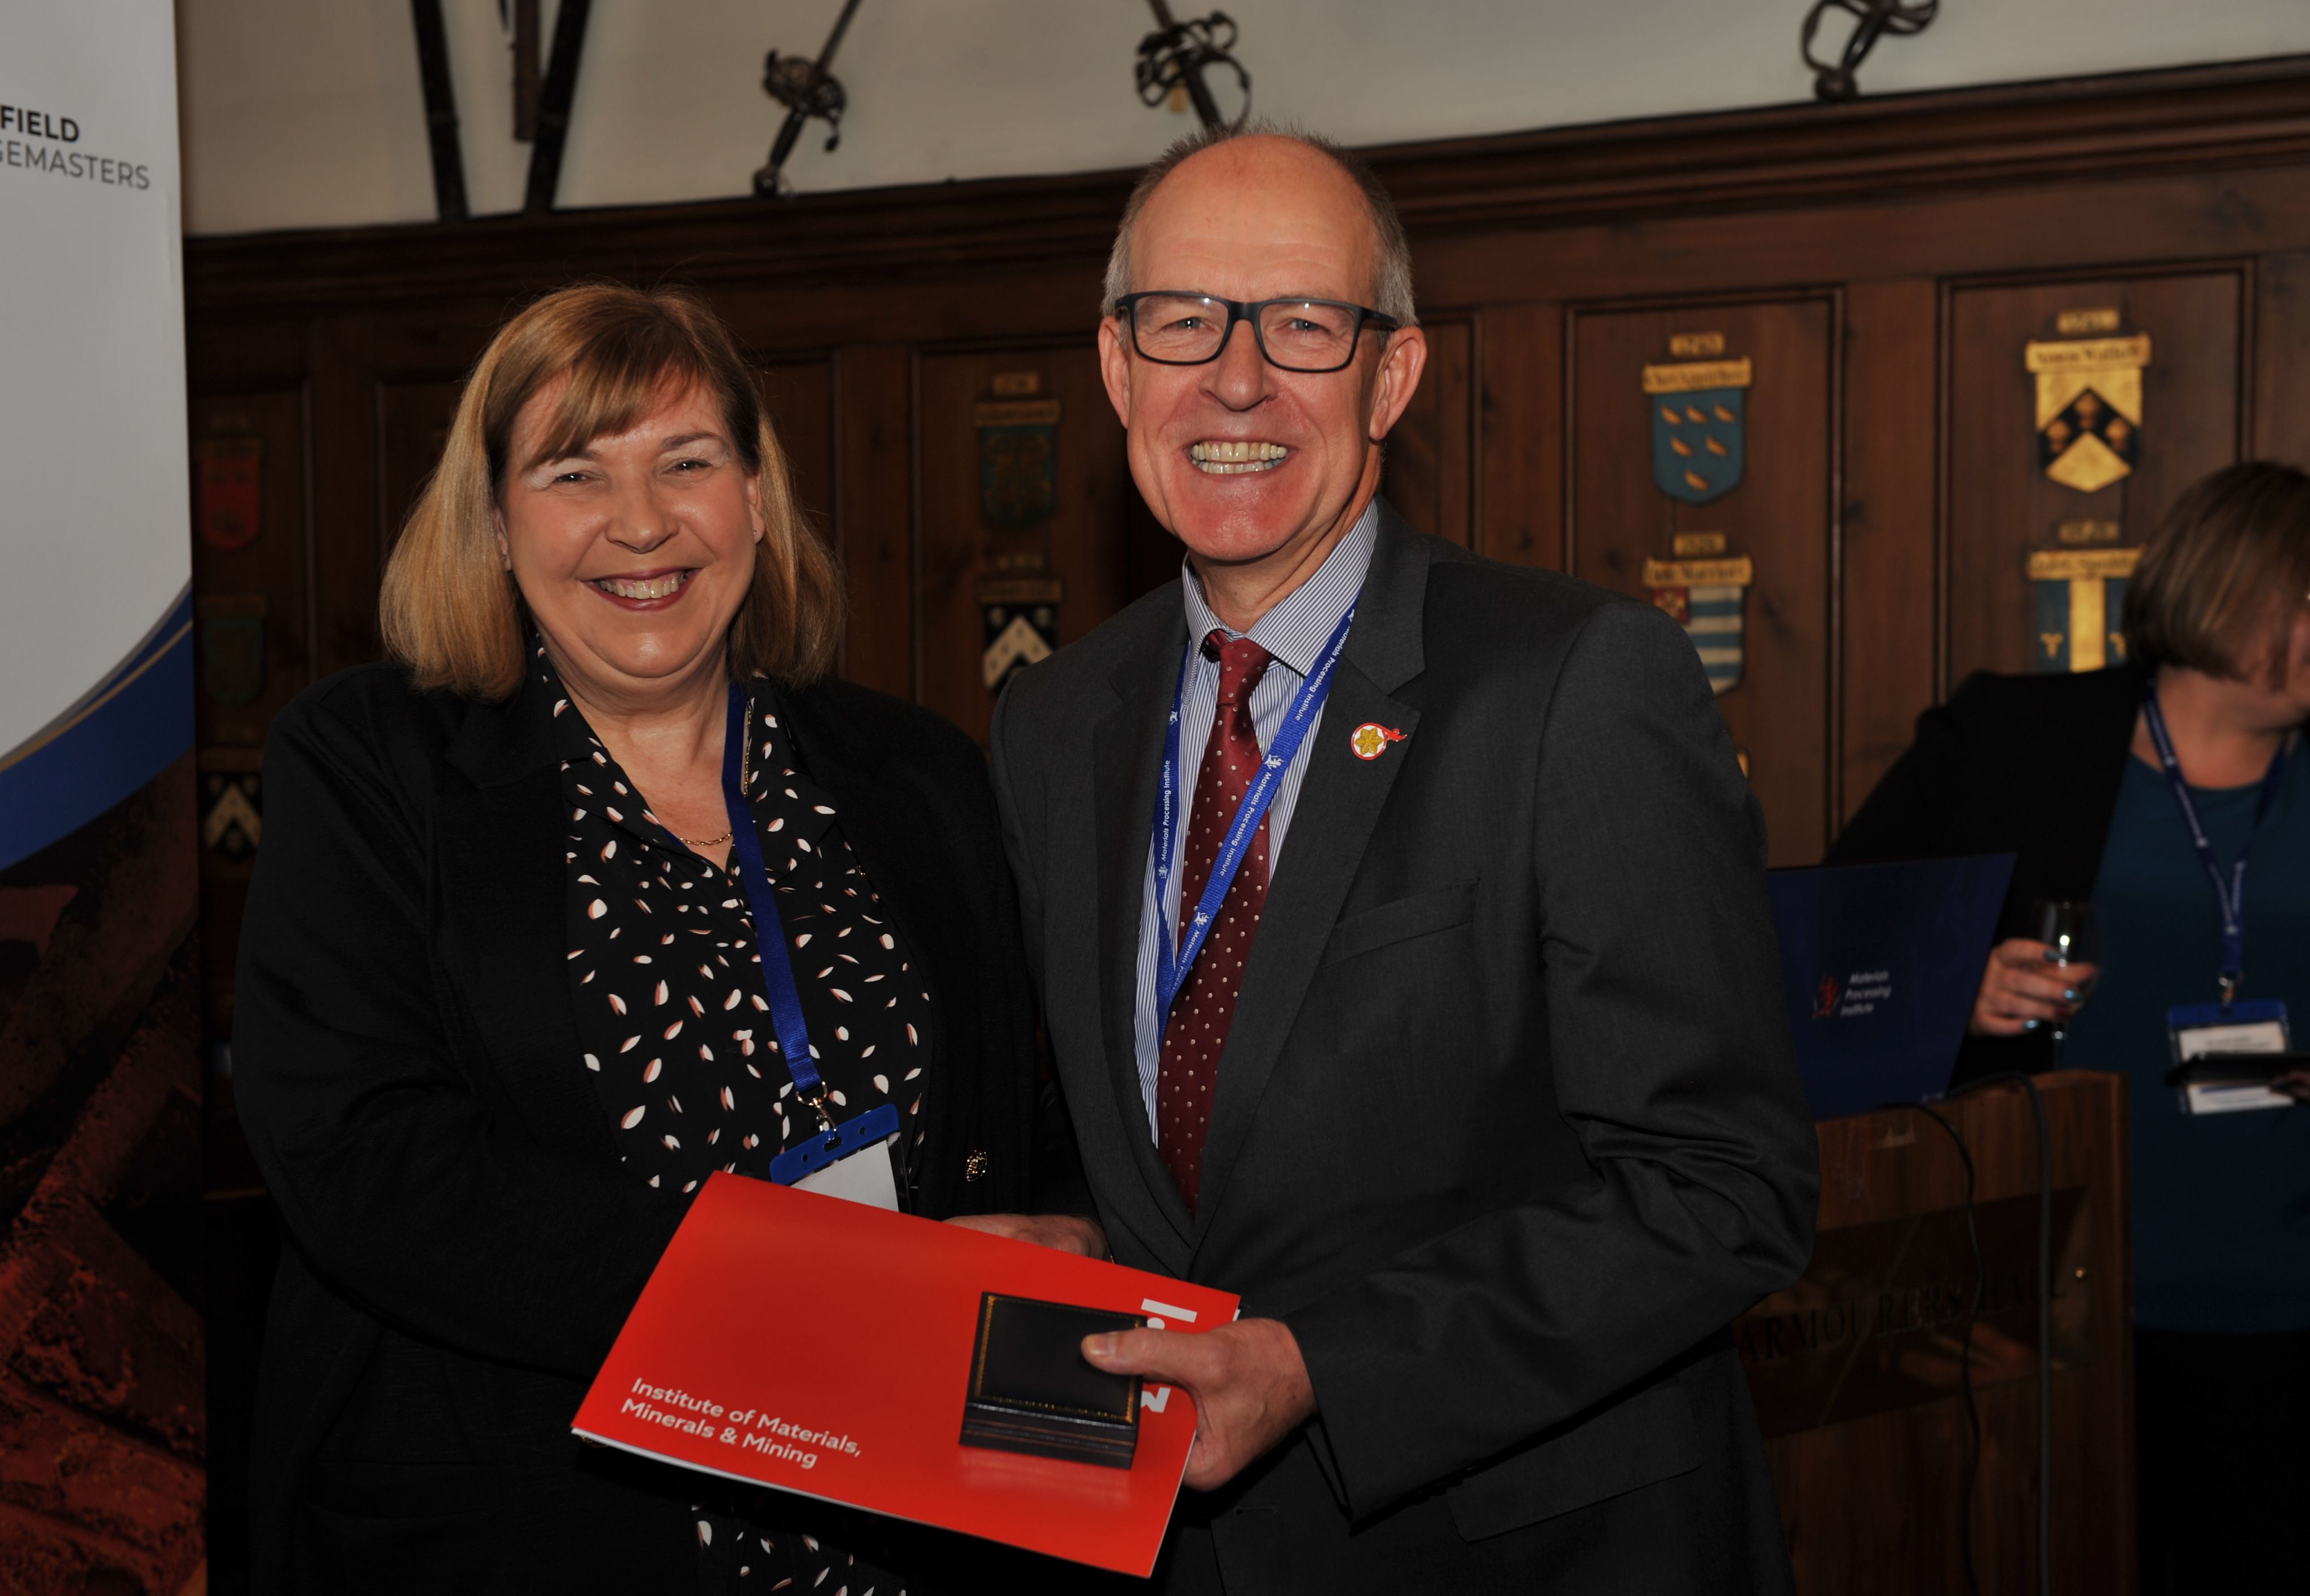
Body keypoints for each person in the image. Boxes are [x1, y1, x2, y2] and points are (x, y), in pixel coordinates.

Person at [987, 126, 1820, 1592]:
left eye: (1305, 324)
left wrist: (1322, 1364)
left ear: (1392, 376)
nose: (1235, 378)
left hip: (1521, 1552)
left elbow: (1719, 1189)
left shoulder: (1576, 683)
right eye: (1184, 319)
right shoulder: (1056, 721)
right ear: (1117, 366)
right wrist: (1072, 1230)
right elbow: (1157, 1128)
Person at [231, 283, 1098, 1594]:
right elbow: (365, 1163)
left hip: (900, 1524)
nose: (641, 522)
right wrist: (828, 1294)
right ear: (496, 523)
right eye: (574, 472)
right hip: (536, 1528)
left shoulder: (916, 773)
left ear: (755, 497)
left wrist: (1073, 1237)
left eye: (687, 462)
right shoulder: (373, 766)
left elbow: (1024, 1103)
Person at [1829, 460, 2310, 1594]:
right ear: (2237, 587)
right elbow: (1836, 949)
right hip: (2047, 1290)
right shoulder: (2017, 739)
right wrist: (1954, 987)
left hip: (2282, 1295)